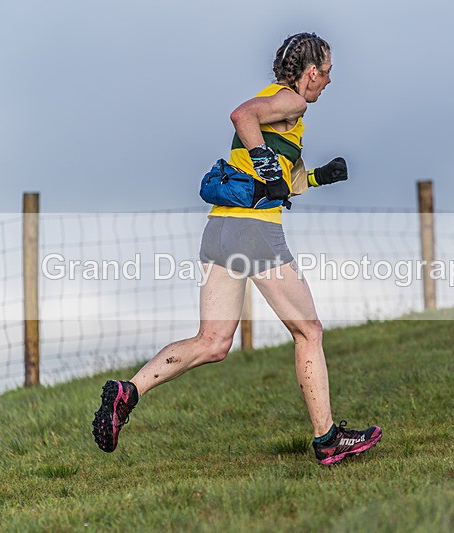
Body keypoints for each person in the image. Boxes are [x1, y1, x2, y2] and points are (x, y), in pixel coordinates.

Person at [92, 32, 382, 465]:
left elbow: (278, 184)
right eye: (327, 73)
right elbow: (241, 116)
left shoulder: (281, 106)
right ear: (310, 73)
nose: (328, 81)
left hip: (220, 230)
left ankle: (128, 392)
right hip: (254, 232)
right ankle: (327, 440)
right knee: (309, 332)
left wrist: (321, 176)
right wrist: (265, 161)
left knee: (212, 341)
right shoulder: (291, 102)